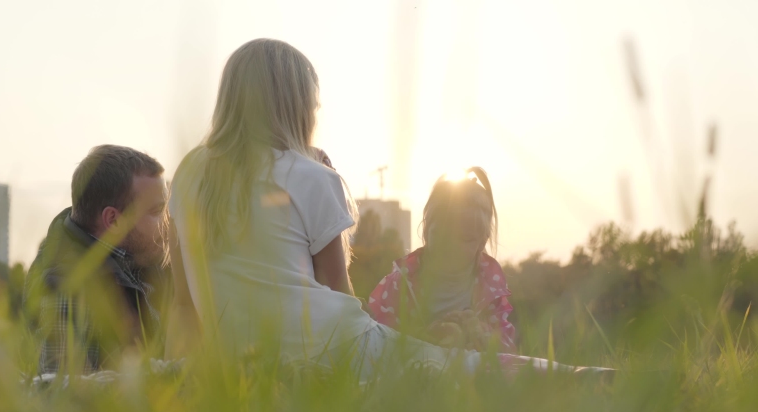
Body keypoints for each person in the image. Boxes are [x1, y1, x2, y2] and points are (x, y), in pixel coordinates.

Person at [166, 39, 483, 380]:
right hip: (331, 351)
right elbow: (337, 291)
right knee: (486, 370)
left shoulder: (189, 173)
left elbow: (184, 304)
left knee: (447, 360)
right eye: (313, 106)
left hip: (245, 360)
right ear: (296, 105)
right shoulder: (311, 176)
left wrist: (181, 381)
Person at [25, 145, 171, 375]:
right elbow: (61, 393)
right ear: (113, 220)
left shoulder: (143, 259)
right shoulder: (66, 286)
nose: (168, 221)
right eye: (156, 211)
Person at [368, 167, 515, 353]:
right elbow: (379, 339)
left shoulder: (488, 288)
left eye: (465, 239)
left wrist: (480, 332)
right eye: (442, 233)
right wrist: (424, 336)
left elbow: (506, 350)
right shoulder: (402, 284)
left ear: (481, 241)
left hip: (469, 376)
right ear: (426, 230)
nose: (451, 245)